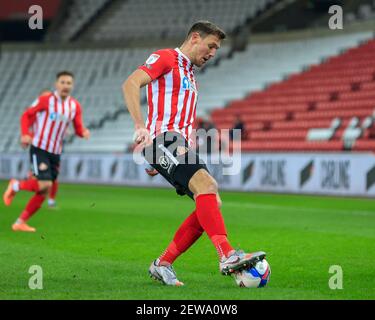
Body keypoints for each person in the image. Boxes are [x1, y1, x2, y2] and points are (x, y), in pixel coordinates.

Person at [123, 21, 266, 286]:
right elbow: (131, 83)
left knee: (210, 202)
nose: (213, 53)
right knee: (207, 186)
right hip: (163, 139)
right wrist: (141, 128)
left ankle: (162, 264)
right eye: (211, 45)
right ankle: (227, 255)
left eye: (217, 49)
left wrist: (161, 159)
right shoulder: (167, 57)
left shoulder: (189, 73)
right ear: (195, 38)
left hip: (174, 145)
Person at [3, 71, 90, 232]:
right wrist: (25, 134)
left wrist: (83, 132)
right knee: (44, 184)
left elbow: (77, 127)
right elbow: (26, 115)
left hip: (56, 153)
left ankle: (20, 221)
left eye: (69, 83)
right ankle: (15, 187)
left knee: (44, 189)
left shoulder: (74, 106)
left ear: (73, 86)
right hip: (40, 148)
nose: (66, 85)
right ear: (56, 85)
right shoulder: (46, 100)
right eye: (62, 82)